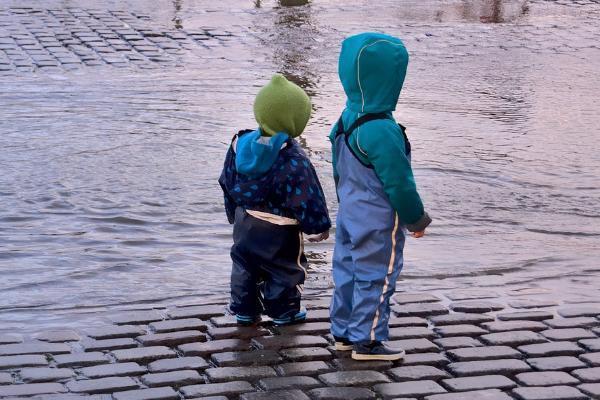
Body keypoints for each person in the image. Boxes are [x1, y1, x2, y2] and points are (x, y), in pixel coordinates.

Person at [329, 32, 432, 360]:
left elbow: (338, 169)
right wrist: (416, 218)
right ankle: (368, 340)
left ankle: (343, 332)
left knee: (347, 271)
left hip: (349, 213)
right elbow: (400, 183)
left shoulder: (346, 119)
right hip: (377, 220)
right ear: (391, 81)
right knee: (377, 275)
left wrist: (345, 202)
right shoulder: (382, 131)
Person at [219, 73, 331, 326]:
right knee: (285, 269)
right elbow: (307, 195)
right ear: (295, 120)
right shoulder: (293, 158)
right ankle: (283, 312)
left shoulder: (239, 144)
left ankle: (245, 310)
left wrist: (232, 212)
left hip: (244, 219)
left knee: (244, 265)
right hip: (279, 228)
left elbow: (226, 179)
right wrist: (318, 226)